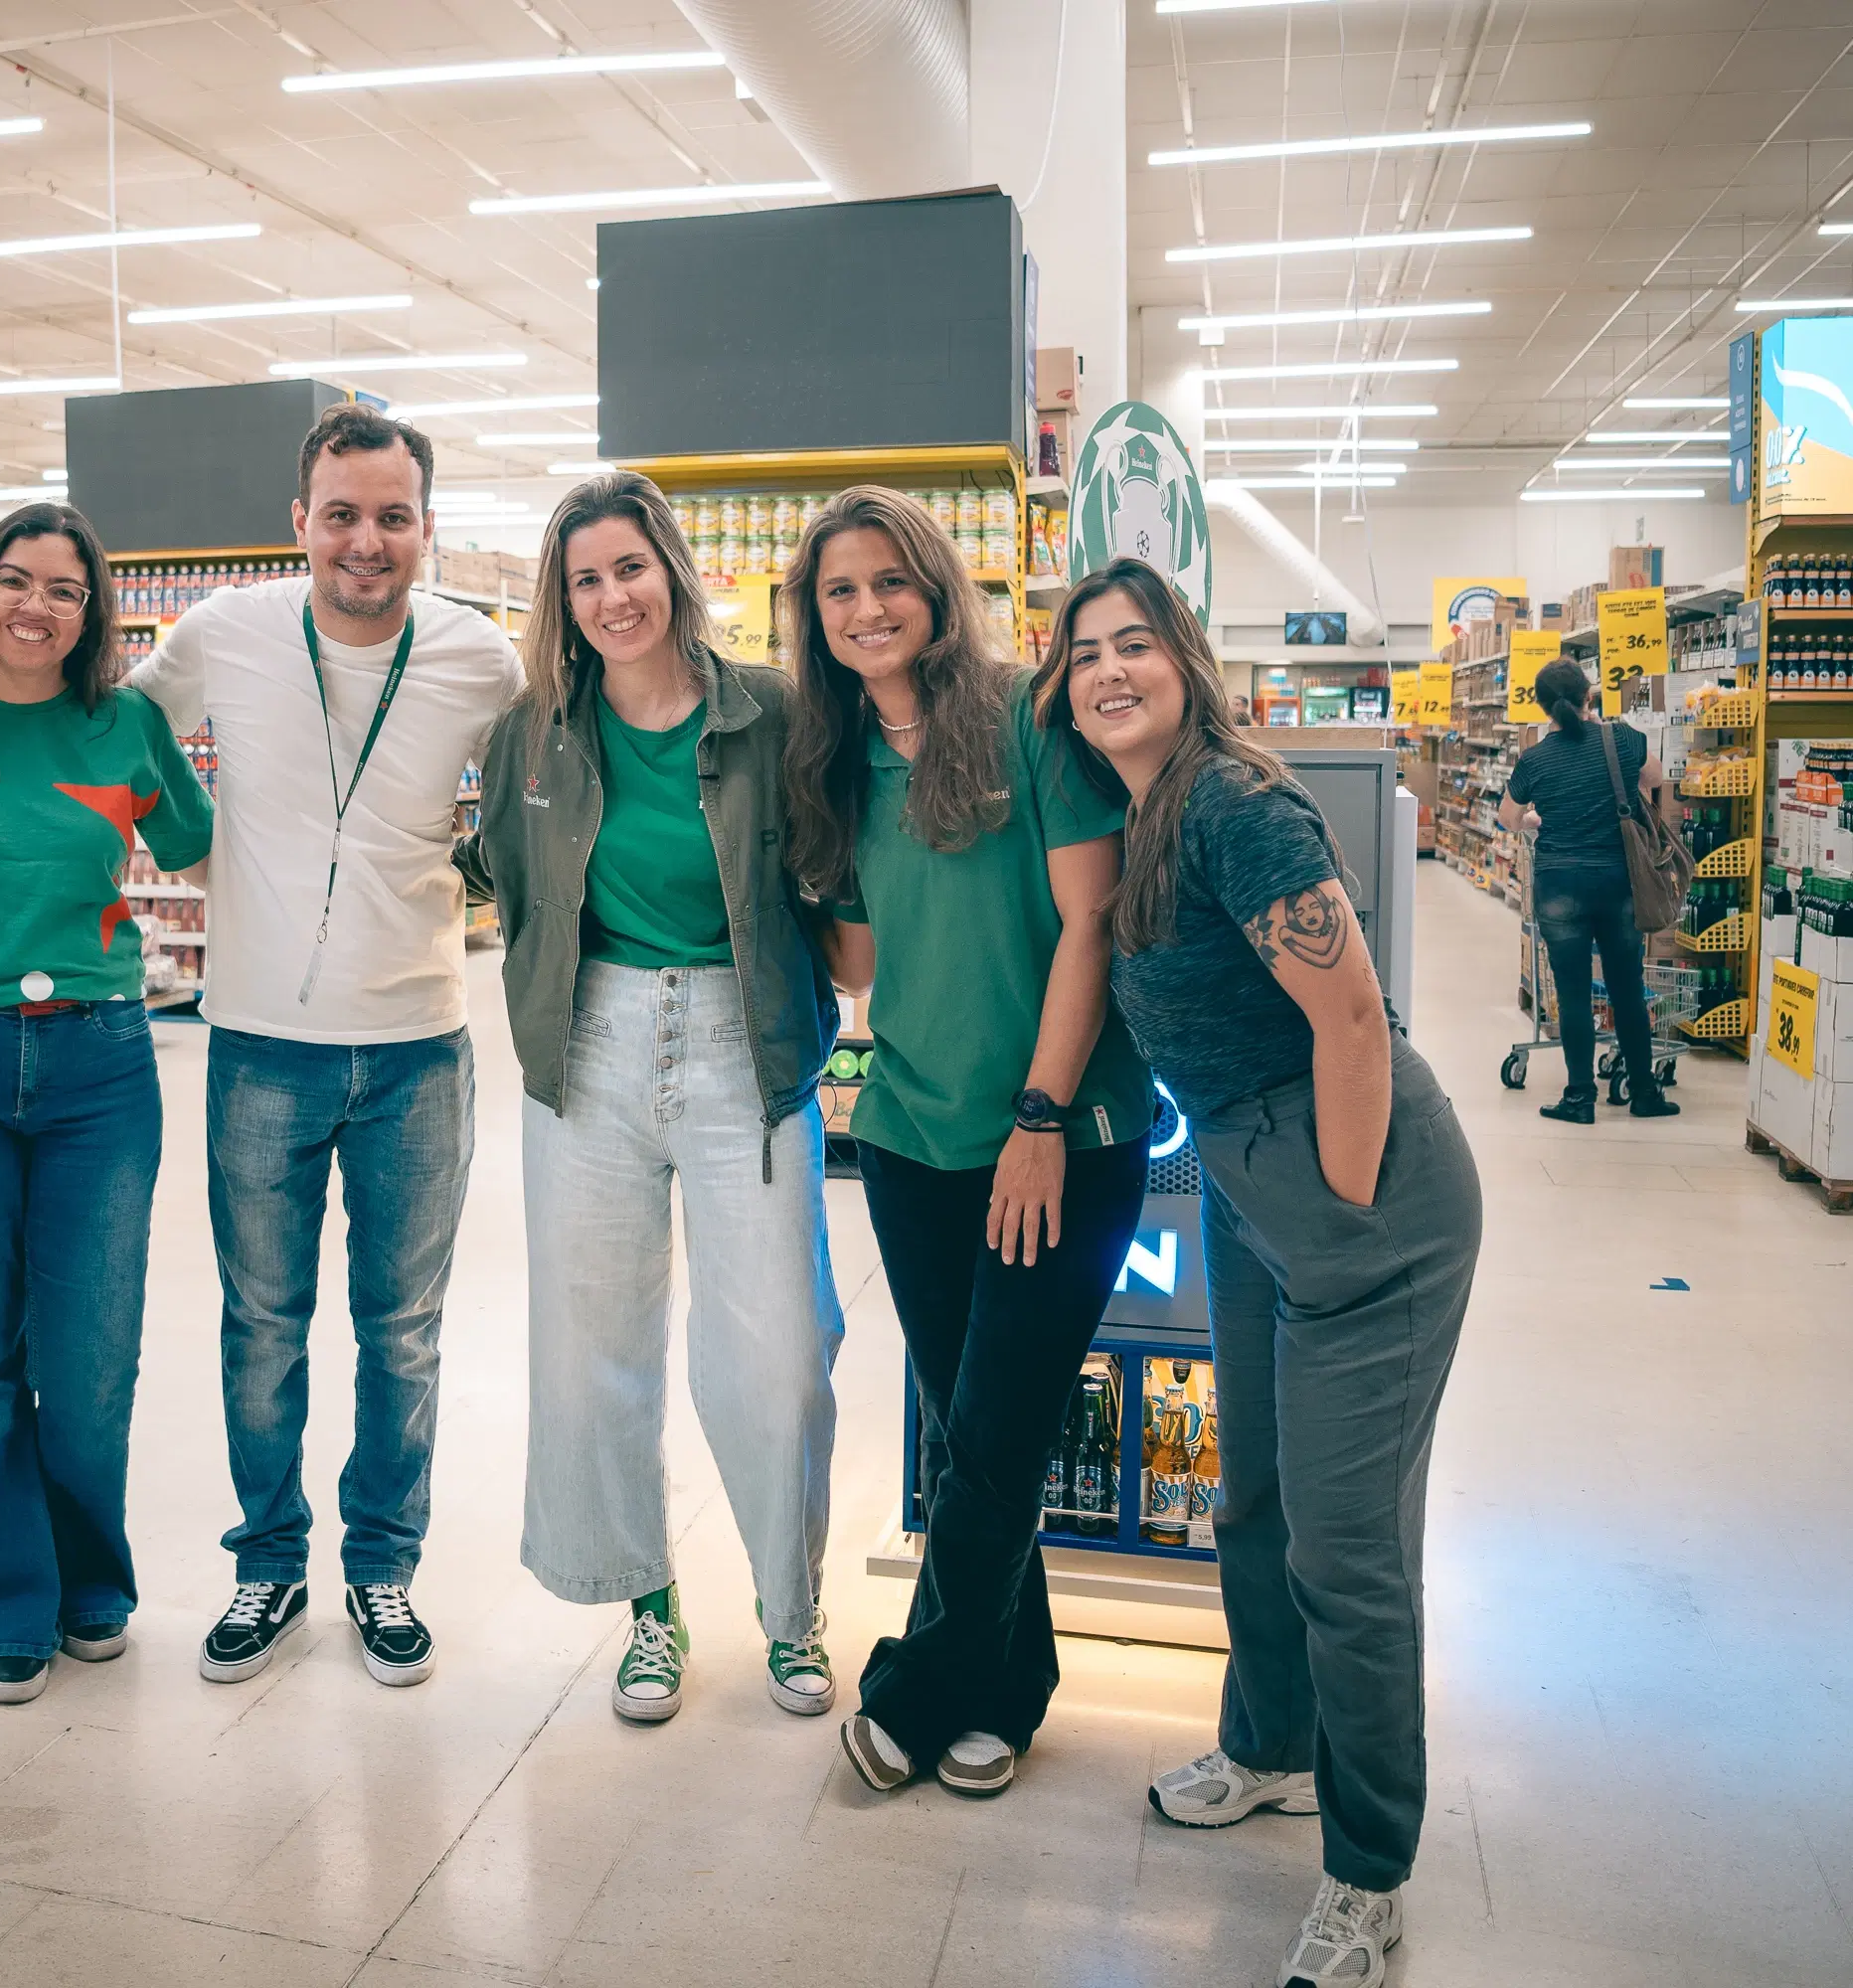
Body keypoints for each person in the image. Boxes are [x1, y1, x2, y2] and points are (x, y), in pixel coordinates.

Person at [1041, 557, 1482, 1988]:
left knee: (1347, 1550)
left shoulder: (1235, 803)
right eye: (1084, 652)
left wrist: (1340, 1214)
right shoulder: (1143, 803)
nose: (1110, 670)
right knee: (1256, 1500)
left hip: (1367, 1201)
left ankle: (1369, 1874)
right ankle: (1271, 1745)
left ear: (1187, 658)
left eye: (1136, 644)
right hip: (1243, 1177)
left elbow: (1352, 1015)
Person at [129, 404, 522, 1688]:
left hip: (420, 1047)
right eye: (341, 514)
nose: (367, 541)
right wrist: (183, 835)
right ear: (299, 522)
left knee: (403, 1330)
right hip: (257, 1046)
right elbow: (114, 733)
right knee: (262, 1325)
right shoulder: (222, 631)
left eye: (392, 517)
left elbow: (548, 790)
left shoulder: (481, 658)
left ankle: (384, 1570)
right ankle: (267, 1566)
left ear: (425, 528)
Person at [452, 472, 843, 1726]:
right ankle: (649, 1608)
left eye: (630, 567)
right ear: (562, 603)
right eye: (585, 579)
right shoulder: (533, 731)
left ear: (672, 568)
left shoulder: (771, 715)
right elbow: (500, 876)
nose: (612, 596)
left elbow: (830, 870)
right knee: (590, 1348)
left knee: (778, 1352)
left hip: (744, 1036)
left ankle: (792, 1610)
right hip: (592, 1041)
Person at [785, 489, 1156, 1800]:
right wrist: (790, 874)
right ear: (812, 617)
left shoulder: (1024, 720)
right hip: (909, 1131)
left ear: (936, 590)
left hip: (1060, 1133)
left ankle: (920, 1690)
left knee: (994, 1432)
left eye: (890, 580)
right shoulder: (833, 761)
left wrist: (1042, 1120)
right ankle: (1010, 1690)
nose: (867, 607)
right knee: (972, 1432)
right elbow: (863, 961)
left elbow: (1090, 926)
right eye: (838, 591)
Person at [0, 502, 212, 1707]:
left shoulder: (125, 724)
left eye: (64, 589)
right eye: (14, 581)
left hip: (100, 1067)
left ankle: (91, 1581)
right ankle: (3, 1603)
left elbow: (205, 848)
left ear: (91, 612)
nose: (36, 606)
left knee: (94, 1354)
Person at [1498, 658, 1677, 1121]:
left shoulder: (1534, 758)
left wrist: (1534, 819)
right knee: (1627, 988)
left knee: (1573, 993)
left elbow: (1508, 817)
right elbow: (1656, 779)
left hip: (1560, 885)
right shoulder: (1619, 738)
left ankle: (1579, 1099)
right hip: (1618, 882)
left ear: (1544, 709)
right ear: (1588, 697)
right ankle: (1644, 1093)